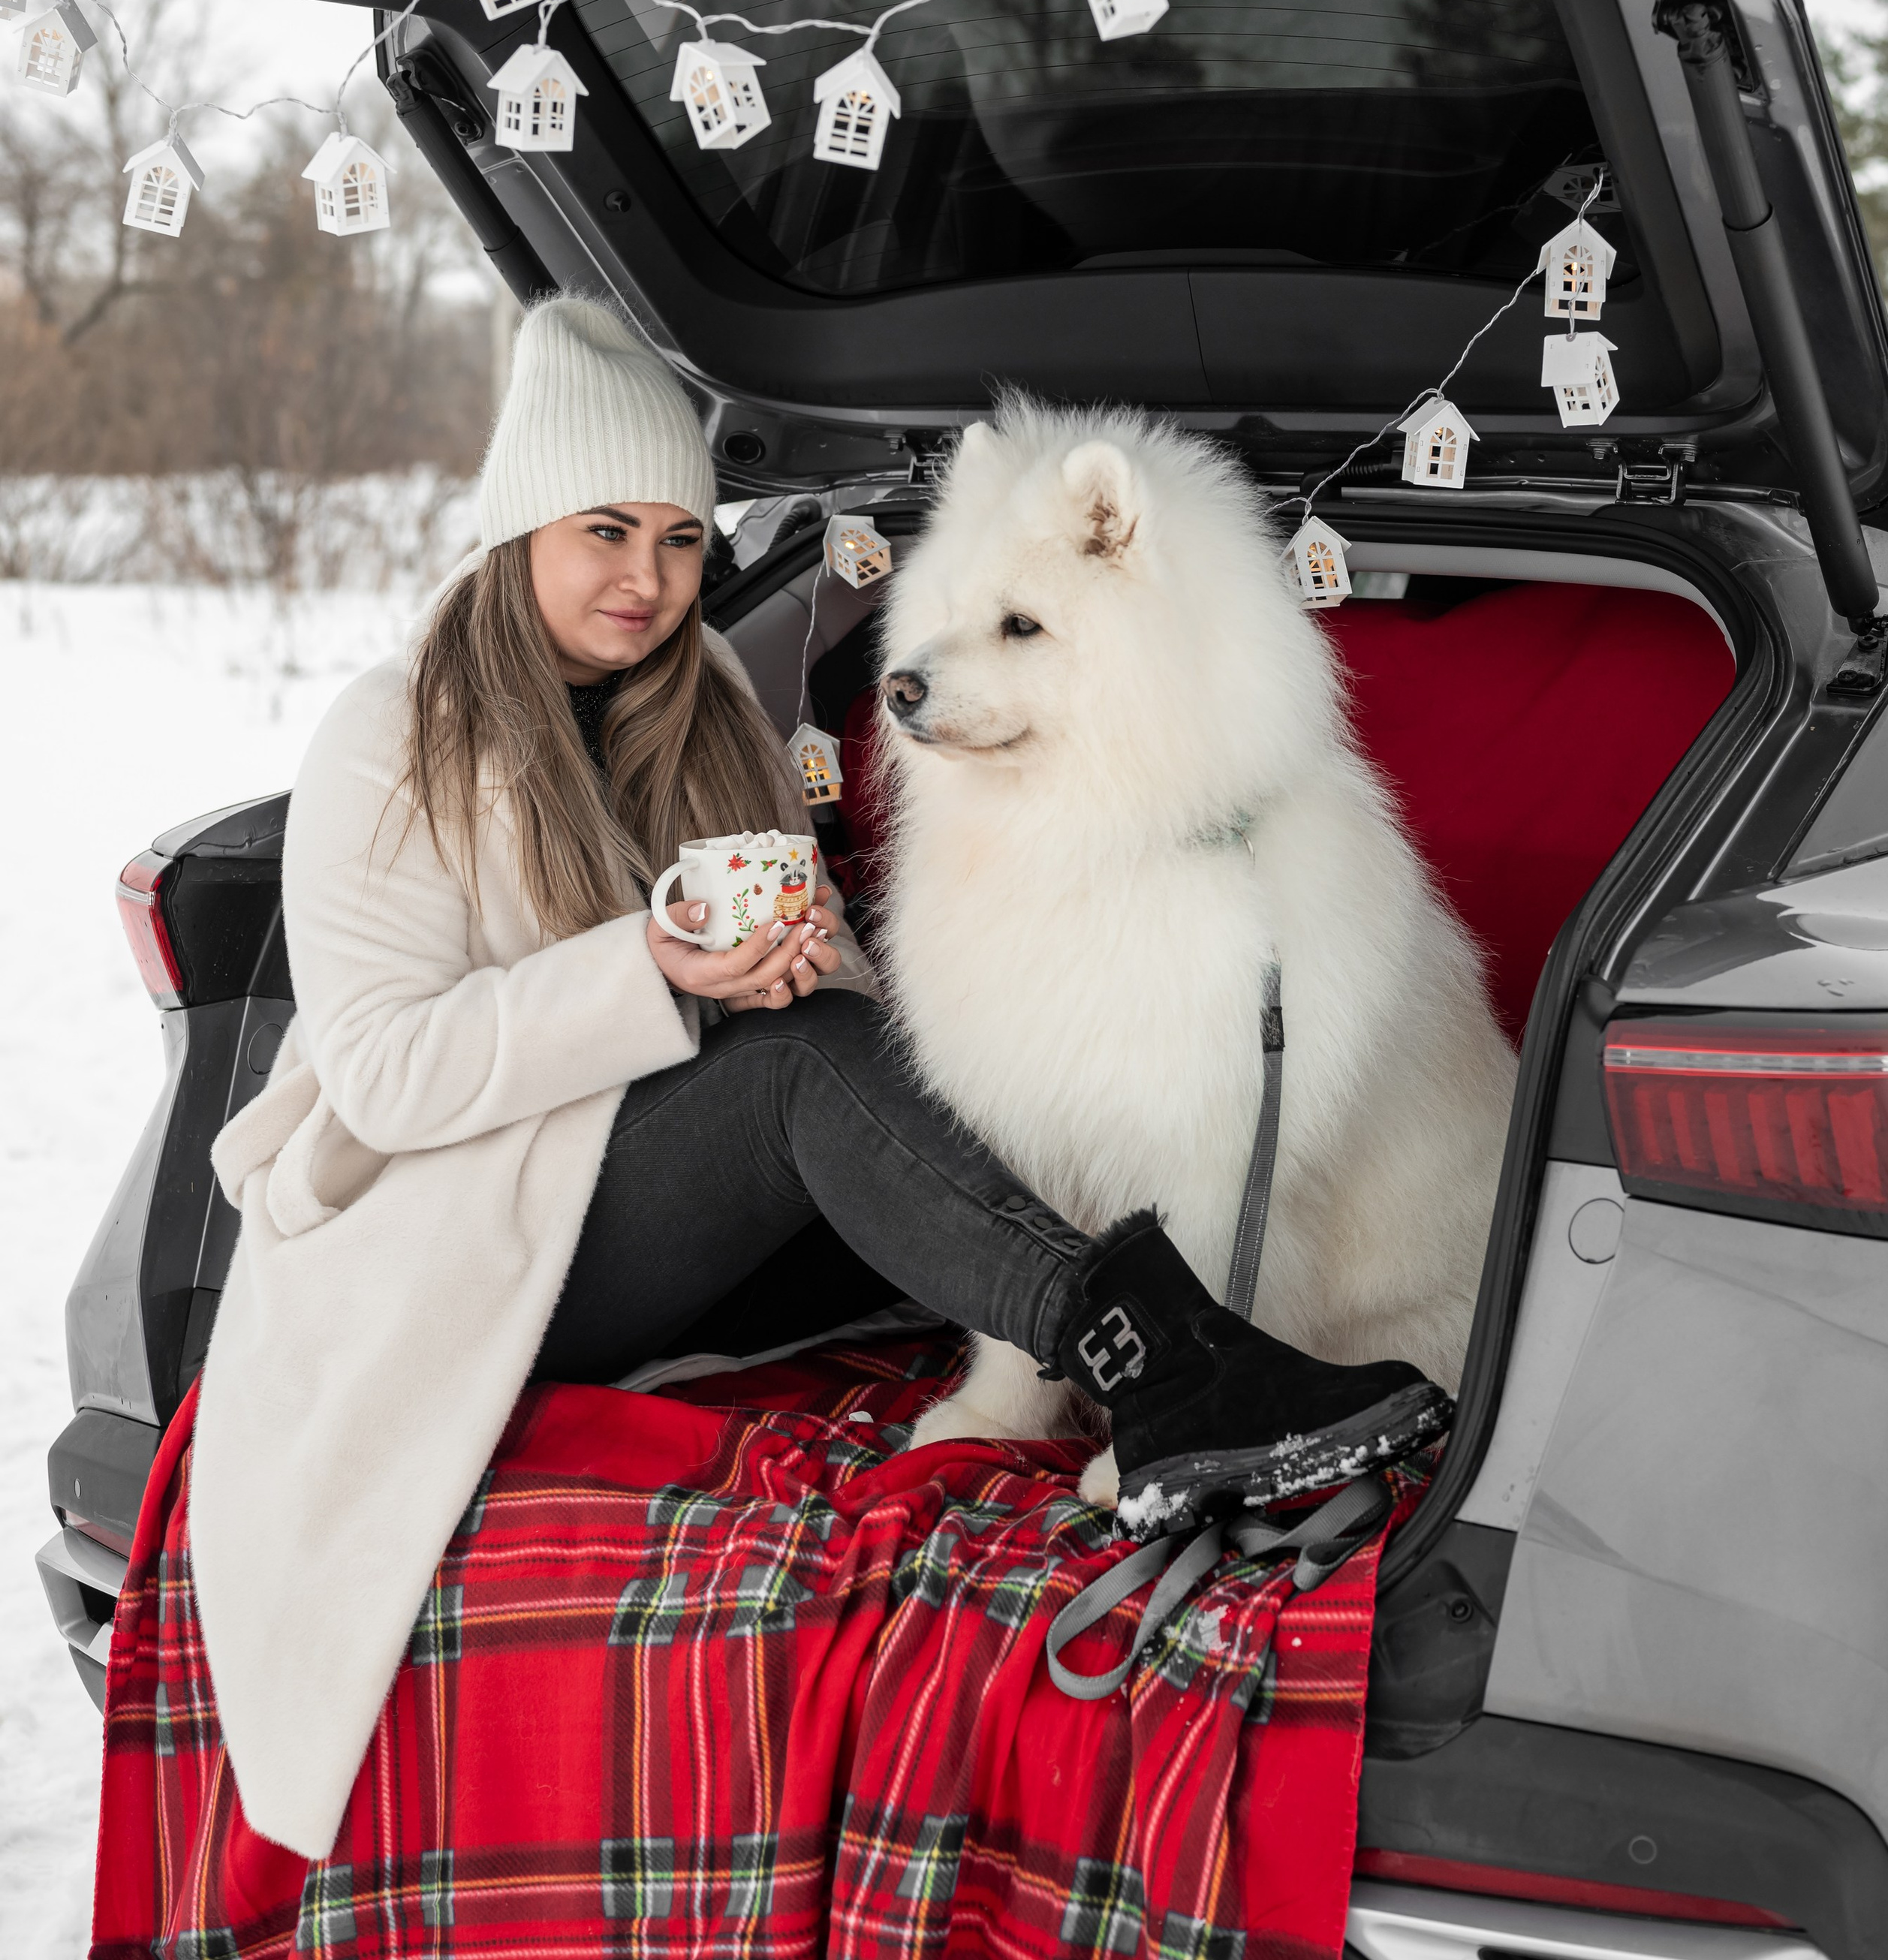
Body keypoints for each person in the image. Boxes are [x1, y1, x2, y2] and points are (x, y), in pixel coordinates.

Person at [189, 296, 1444, 1859]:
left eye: (674, 536)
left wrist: (803, 967)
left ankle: (1149, 1350)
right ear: (515, 528)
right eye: (602, 531)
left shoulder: (702, 691)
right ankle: (1161, 1360)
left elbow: (822, 998)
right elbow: (379, 1075)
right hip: (458, 1249)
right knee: (799, 1074)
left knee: (828, 1049)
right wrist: (655, 971)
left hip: (664, 1204)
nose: (645, 578)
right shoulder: (396, 728)